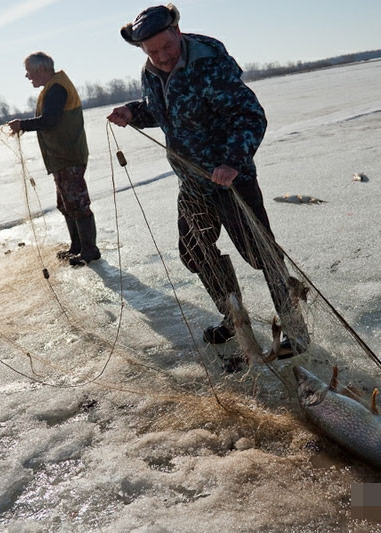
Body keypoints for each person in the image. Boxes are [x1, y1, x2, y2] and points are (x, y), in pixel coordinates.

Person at [107, 4, 309, 354]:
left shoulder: (209, 65)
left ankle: (298, 333)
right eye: (152, 52)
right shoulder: (151, 71)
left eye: (166, 47)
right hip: (193, 182)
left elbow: (250, 116)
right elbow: (162, 109)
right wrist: (133, 112)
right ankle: (234, 318)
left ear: (178, 32)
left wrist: (231, 162)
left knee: (262, 255)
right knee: (194, 250)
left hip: (232, 182)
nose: (161, 57)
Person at [7, 52, 100, 266]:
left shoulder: (57, 88)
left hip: (68, 155)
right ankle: (77, 246)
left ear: (41, 69)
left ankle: (90, 251)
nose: (27, 76)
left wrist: (23, 125)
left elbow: (50, 120)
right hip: (61, 157)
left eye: (29, 72)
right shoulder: (52, 87)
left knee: (77, 204)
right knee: (66, 204)